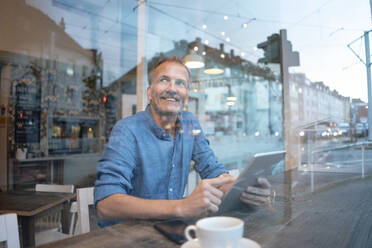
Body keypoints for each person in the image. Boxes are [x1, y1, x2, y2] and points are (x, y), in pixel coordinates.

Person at [94, 56, 271, 227]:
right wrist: (182, 207)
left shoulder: (189, 123)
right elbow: (106, 205)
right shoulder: (127, 130)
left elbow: (214, 172)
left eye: (180, 83)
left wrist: (244, 190)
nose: (172, 88)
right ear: (149, 92)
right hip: (127, 237)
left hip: (172, 231)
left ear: (186, 95)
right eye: (164, 80)